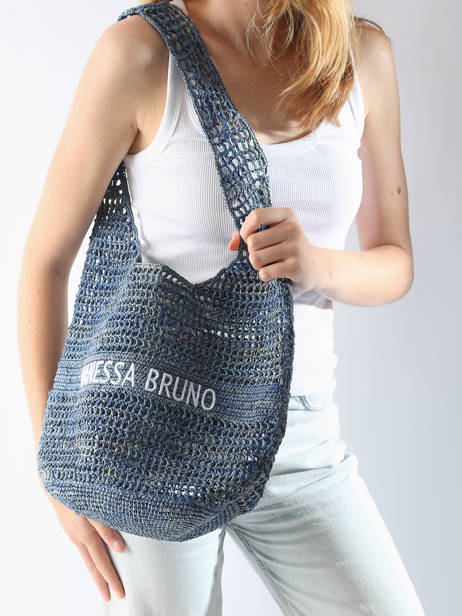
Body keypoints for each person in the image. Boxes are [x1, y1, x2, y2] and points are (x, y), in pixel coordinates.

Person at [17, 0, 426, 614]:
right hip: (150, 427)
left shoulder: (357, 55)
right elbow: (44, 263)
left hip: (302, 438)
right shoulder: (140, 52)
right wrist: (55, 475)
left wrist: (316, 264)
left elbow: (395, 261)